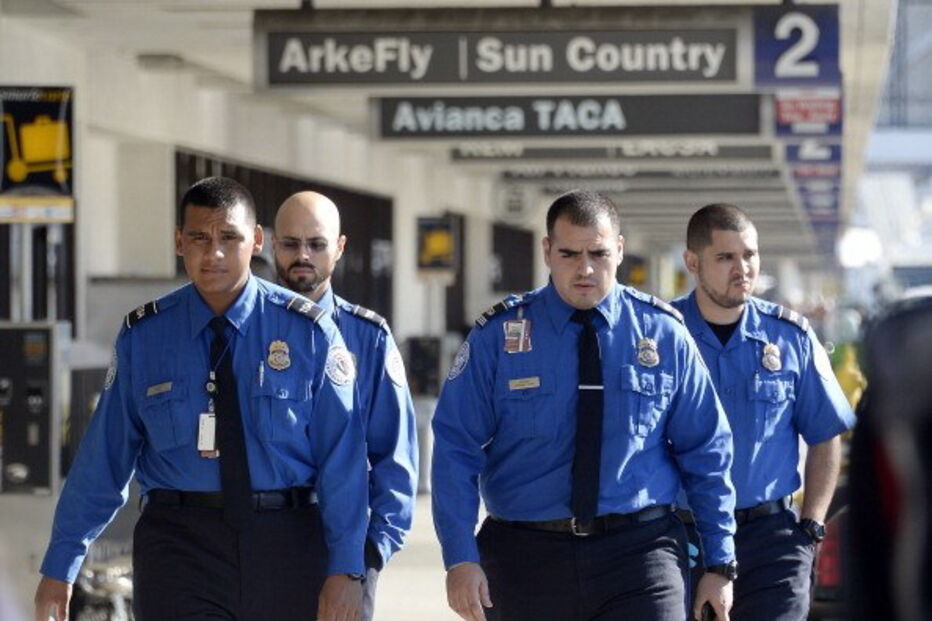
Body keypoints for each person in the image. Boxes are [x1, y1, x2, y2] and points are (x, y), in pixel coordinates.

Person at [33, 177, 368, 621]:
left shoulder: (308, 332)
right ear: (178, 242)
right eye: (199, 237)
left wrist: (347, 568)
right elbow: (104, 460)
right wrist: (62, 564)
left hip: (286, 542)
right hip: (179, 548)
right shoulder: (144, 337)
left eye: (229, 237)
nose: (214, 254)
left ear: (256, 241)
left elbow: (343, 459)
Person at [431, 189, 739, 621]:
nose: (585, 268)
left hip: (640, 554)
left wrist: (719, 563)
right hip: (526, 558)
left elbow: (706, 450)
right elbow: (455, 448)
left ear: (619, 249)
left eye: (598, 252)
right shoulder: (499, 336)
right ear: (547, 251)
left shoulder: (664, 334)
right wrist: (460, 559)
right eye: (569, 254)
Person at [673, 203, 856, 621]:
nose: (742, 268)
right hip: (682, 537)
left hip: (772, 541)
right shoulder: (663, 334)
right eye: (725, 257)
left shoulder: (790, 336)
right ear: (692, 262)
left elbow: (825, 434)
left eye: (749, 255)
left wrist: (810, 526)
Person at [272, 191, 418, 621]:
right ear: (270, 243)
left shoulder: (368, 338)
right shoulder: (244, 332)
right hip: (260, 548)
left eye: (316, 244)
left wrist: (367, 560)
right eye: (290, 243)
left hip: (347, 551)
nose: (303, 255)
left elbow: (396, 461)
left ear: (339, 248)